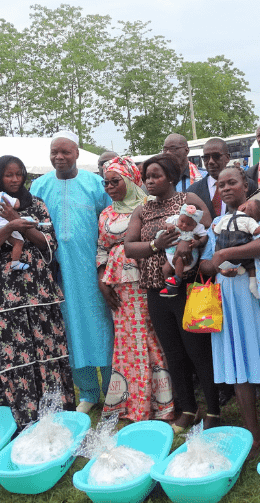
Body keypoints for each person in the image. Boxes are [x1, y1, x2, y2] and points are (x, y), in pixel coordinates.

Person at [199, 166, 260, 454]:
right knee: (238, 363)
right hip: (228, 298)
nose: (226, 188)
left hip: (258, 297)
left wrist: (225, 254)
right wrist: (218, 264)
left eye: (232, 183)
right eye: (221, 184)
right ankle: (253, 431)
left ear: (245, 186)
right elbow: (204, 265)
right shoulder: (216, 223)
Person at [0, 155, 75, 428]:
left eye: (19, 174)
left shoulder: (36, 205)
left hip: (38, 288)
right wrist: (9, 226)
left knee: (47, 349)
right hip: (1, 294)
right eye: (8, 175)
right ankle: (23, 419)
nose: (14, 179)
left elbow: (48, 243)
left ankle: (58, 413)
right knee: (13, 352)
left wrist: (18, 218)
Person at [124, 153, 216, 433]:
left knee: (197, 350)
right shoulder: (142, 210)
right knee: (173, 353)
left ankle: (213, 410)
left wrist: (192, 242)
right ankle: (187, 408)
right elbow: (129, 248)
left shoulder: (189, 200)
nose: (150, 181)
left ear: (172, 177)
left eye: (156, 175)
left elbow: (210, 231)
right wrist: (155, 244)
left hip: (186, 286)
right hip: (155, 289)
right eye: (147, 177)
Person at [31, 131, 114, 413]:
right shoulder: (39, 187)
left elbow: (109, 227)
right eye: (55, 152)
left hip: (94, 273)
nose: (59, 157)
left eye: (65, 152)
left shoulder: (95, 184)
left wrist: (106, 269)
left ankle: (111, 390)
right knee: (71, 330)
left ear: (77, 153)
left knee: (102, 328)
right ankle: (88, 392)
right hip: (58, 275)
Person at [96, 156, 174, 423]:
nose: (109, 187)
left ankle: (158, 402)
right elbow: (102, 249)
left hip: (144, 279)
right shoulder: (106, 213)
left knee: (148, 336)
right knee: (125, 340)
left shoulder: (147, 206)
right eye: (105, 183)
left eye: (115, 181)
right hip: (117, 283)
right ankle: (129, 403)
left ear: (130, 179)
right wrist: (102, 281)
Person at [159, 204, 207, 297]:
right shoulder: (174, 219)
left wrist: (198, 242)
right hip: (171, 253)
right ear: (179, 217)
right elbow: (165, 224)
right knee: (165, 269)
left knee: (179, 259)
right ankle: (169, 288)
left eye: (189, 224)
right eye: (182, 221)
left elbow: (205, 236)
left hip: (187, 255)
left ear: (195, 224)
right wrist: (168, 226)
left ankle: (177, 278)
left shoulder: (198, 227)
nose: (184, 225)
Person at [188, 138, 230, 219]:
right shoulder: (193, 191)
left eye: (216, 156)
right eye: (206, 157)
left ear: (227, 158)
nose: (210, 161)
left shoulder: (245, 186)